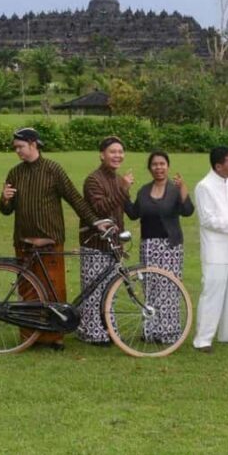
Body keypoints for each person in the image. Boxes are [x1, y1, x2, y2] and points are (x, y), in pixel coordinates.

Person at [0, 127, 103, 351]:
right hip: (23, 242)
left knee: (54, 290)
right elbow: (6, 211)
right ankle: (29, 336)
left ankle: (55, 337)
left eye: (20, 147)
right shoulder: (15, 173)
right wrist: (4, 200)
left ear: (33, 143)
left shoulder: (53, 169)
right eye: (15, 148)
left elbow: (74, 198)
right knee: (27, 291)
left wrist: (95, 222)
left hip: (50, 240)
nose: (17, 152)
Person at [125, 150, 194, 343]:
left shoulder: (174, 190)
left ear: (168, 166)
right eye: (155, 164)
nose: (159, 168)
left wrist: (184, 190)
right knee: (150, 287)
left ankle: (169, 333)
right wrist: (124, 191)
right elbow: (133, 213)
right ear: (150, 168)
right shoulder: (144, 191)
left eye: (162, 164)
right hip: (148, 246)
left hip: (170, 247)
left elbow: (188, 211)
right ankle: (151, 332)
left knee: (169, 289)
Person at [192, 146, 228, 352]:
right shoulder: (204, 186)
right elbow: (208, 219)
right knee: (212, 293)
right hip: (215, 248)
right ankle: (203, 339)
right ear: (218, 166)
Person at [76, 136, 134, 345]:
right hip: (95, 244)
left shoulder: (119, 180)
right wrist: (124, 189)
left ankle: (108, 329)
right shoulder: (93, 180)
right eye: (112, 151)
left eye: (120, 151)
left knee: (111, 290)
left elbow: (128, 210)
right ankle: (92, 332)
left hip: (114, 244)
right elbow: (101, 209)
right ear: (102, 155)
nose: (117, 155)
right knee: (93, 291)